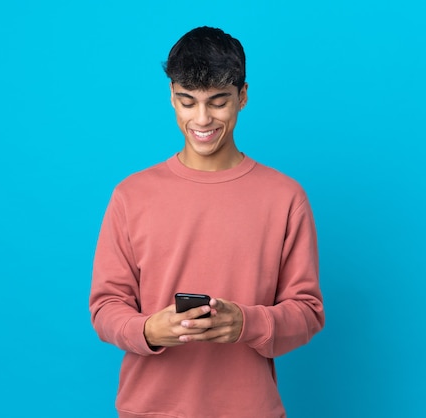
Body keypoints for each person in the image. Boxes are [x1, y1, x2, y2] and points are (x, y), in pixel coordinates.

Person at [90, 26, 325, 418]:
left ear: (242, 97)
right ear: (172, 98)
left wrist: (247, 323)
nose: (202, 119)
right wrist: (148, 331)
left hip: (249, 409)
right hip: (149, 409)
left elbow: (308, 311)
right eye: (187, 102)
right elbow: (106, 307)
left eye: (218, 102)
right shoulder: (131, 195)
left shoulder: (285, 197)